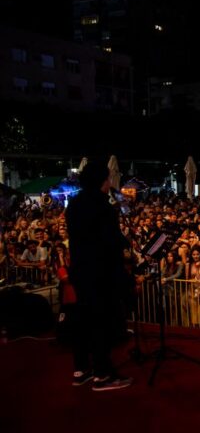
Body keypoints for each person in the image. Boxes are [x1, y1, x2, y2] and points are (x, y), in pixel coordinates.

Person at [65, 160, 133, 391]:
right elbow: (110, 242)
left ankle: (81, 369)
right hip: (101, 273)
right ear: (103, 181)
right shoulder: (103, 206)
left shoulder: (74, 203)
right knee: (101, 323)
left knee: (83, 320)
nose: (110, 182)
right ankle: (102, 375)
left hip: (80, 271)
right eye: (108, 178)